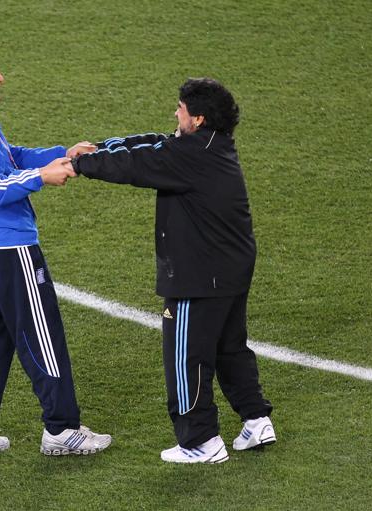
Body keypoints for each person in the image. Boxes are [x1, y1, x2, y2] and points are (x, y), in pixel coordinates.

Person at [72, 78, 275, 464]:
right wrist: (102, 146)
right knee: (229, 348)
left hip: (199, 276)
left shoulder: (190, 155)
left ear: (197, 119)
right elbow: (153, 143)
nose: (175, 113)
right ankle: (256, 420)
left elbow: (137, 164)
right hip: (230, 268)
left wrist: (80, 164)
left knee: (186, 358)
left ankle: (200, 441)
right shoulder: (210, 145)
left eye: (180, 108)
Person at [0, 43, 110, 458]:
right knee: (42, 334)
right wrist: (42, 178)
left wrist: (59, 155)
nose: (0, 78)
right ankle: (62, 429)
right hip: (8, 246)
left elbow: (8, 158)